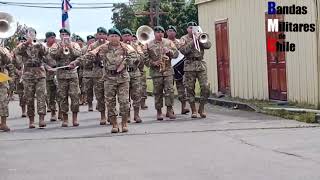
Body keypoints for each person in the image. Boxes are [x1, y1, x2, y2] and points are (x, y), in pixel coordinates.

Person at [70, 28, 138, 133]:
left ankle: (124, 123)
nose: (113, 38)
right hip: (109, 79)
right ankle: (114, 124)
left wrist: (125, 63)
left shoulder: (125, 47)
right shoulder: (103, 48)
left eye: (116, 36)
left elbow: (134, 56)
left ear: (119, 37)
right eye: (111, 36)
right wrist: (76, 62)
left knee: (124, 102)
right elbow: (89, 56)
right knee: (110, 103)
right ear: (108, 37)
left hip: (123, 78)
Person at [14, 28, 47, 128]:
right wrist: (26, 43)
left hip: (40, 74)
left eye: (33, 34)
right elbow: (16, 52)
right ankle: (31, 121)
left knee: (41, 96)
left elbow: (46, 53)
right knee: (29, 98)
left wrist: (39, 45)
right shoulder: (22, 46)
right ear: (26, 35)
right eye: (29, 34)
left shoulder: (40, 44)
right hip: (28, 75)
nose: (31, 36)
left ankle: (41, 119)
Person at [49, 28, 82, 127]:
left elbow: (79, 55)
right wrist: (61, 48)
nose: (64, 36)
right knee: (62, 97)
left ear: (69, 36)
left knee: (75, 96)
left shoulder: (75, 44)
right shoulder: (56, 45)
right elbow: (53, 55)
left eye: (65, 34)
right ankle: (65, 119)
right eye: (62, 34)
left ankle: (75, 118)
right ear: (60, 36)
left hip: (72, 74)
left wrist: (70, 47)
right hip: (61, 75)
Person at [145, 26, 179, 120]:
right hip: (156, 72)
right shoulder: (148, 44)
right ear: (154, 33)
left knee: (170, 91)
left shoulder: (168, 42)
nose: (159, 34)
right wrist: (153, 63)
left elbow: (176, 54)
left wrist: (170, 52)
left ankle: (169, 110)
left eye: (161, 32)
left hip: (168, 70)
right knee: (158, 92)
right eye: (157, 32)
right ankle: (159, 112)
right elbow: (145, 58)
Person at [180, 22, 212, 118]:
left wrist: (200, 38)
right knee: (190, 88)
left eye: (194, 27)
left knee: (205, 87)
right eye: (190, 28)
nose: (193, 29)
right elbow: (183, 50)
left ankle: (201, 108)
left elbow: (208, 45)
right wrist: (194, 41)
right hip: (189, 65)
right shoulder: (184, 38)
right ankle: (193, 109)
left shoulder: (201, 35)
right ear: (187, 29)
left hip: (200, 65)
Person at [82, 27, 108, 125]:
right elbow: (87, 60)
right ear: (96, 35)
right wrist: (94, 57)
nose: (101, 36)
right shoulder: (92, 46)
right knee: (100, 96)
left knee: (110, 96)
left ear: (106, 35)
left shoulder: (110, 44)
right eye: (99, 34)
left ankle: (111, 114)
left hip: (109, 73)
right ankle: (102, 116)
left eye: (103, 34)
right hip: (97, 73)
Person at [166, 25, 190, 115]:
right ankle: (170, 109)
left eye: (173, 30)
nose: (171, 32)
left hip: (179, 67)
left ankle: (184, 107)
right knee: (169, 89)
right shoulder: (164, 42)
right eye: (169, 30)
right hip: (168, 67)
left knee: (181, 87)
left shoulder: (180, 42)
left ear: (175, 32)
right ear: (166, 32)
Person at [121, 28, 143, 123]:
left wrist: (138, 58)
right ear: (122, 37)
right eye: (125, 35)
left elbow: (142, 56)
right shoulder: (120, 46)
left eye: (128, 35)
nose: (127, 37)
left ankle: (136, 115)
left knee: (137, 94)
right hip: (123, 73)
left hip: (135, 72)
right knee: (125, 96)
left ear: (131, 36)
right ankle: (127, 115)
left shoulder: (136, 46)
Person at [44, 31, 60, 121]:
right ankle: (53, 113)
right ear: (47, 38)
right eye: (51, 37)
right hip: (48, 73)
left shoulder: (58, 47)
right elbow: (40, 60)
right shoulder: (43, 48)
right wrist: (47, 67)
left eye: (54, 37)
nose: (53, 39)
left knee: (60, 94)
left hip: (58, 72)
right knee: (50, 95)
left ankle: (61, 111)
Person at [12, 36, 27, 118]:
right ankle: (23, 111)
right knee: (21, 94)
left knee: (28, 94)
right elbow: (11, 64)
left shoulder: (29, 50)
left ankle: (30, 110)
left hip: (28, 75)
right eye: (21, 40)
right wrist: (16, 71)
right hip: (19, 75)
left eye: (24, 41)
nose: (22, 42)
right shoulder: (15, 51)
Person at [0, 46, 14, 131]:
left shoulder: (3, 49)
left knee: (3, 100)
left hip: (1, 75)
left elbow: (8, 61)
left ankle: (3, 123)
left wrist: (2, 52)